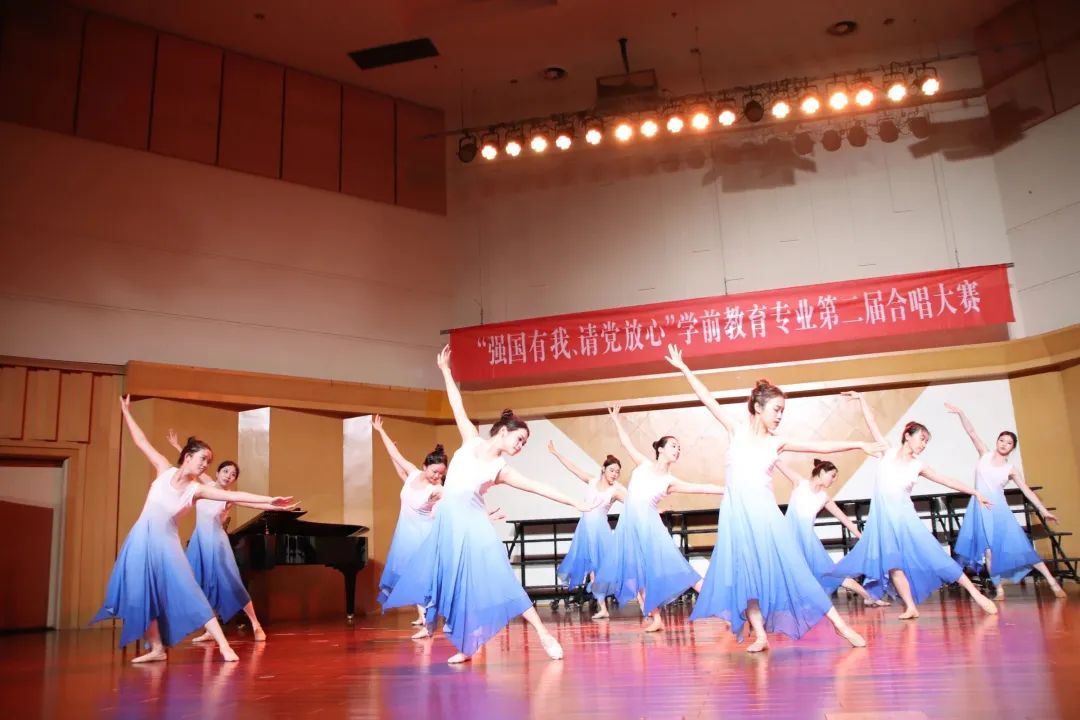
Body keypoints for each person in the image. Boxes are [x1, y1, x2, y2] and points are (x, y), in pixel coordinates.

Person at [383, 346, 597, 664]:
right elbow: (457, 404)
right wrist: (445, 371)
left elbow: (538, 487)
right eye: (520, 439)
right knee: (457, 588)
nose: (521, 446)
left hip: (474, 529)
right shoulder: (471, 439)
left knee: (501, 580)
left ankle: (543, 634)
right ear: (504, 432)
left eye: (524, 443)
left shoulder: (500, 469)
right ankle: (467, 646)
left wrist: (574, 501)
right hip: (448, 529)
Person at [666, 346, 873, 652]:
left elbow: (821, 446)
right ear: (758, 407)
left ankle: (840, 626)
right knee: (746, 579)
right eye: (776, 410)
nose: (779, 416)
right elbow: (707, 398)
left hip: (765, 517)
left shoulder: (777, 443)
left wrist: (858, 444)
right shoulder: (736, 430)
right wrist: (685, 369)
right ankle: (761, 635)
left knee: (795, 570)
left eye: (782, 411)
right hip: (737, 518)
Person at [91, 396, 296, 662]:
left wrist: (270, 501)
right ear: (187, 457)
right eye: (202, 459)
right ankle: (157, 649)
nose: (205, 465)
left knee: (190, 590)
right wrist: (126, 412)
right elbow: (141, 442)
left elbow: (236, 496)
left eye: (208, 461)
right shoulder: (164, 469)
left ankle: (223, 644)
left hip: (167, 544)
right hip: (140, 540)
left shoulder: (196, 490)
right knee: (140, 593)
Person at [829, 392, 999, 619]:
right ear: (907, 436)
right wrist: (861, 400)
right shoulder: (886, 452)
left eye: (927, 441)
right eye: (922, 438)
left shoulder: (918, 466)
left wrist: (975, 492)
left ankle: (977, 595)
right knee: (893, 565)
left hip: (906, 520)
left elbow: (947, 480)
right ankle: (910, 607)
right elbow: (871, 422)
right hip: (884, 524)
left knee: (936, 556)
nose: (924, 444)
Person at [591, 404, 726, 633]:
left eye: (679, 448)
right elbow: (626, 443)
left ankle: (724, 609)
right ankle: (656, 619)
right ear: (661, 449)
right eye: (673, 446)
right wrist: (616, 420)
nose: (677, 450)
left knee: (683, 571)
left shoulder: (669, 481)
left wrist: (726, 489)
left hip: (651, 530)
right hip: (630, 529)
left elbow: (700, 487)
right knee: (639, 576)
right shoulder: (644, 465)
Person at [945, 403, 1066, 599]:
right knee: (989, 552)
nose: (1003, 444)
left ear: (1012, 447)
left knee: (1022, 548)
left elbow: (1026, 491)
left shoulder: (1010, 469)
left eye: (1008, 442)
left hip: (999, 510)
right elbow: (972, 433)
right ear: (997, 441)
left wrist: (1043, 511)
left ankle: (1052, 582)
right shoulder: (984, 455)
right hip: (980, 508)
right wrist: (961, 413)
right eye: (1001, 440)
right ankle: (999, 589)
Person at [164, 432, 276, 643]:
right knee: (201, 584)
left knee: (231, 583)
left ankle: (256, 624)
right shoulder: (206, 485)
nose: (228, 476)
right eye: (225, 471)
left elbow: (252, 503)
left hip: (217, 543)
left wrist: (273, 504)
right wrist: (178, 446)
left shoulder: (228, 496)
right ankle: (211, 629)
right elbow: (192, 463)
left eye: (233, 475)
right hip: (199, 541)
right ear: (217, 472)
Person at [372, 415, 448, 627]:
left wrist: (484, 514)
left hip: (423, 537)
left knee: (421, 577)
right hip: (406, 535)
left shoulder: (438, 489)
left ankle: (429, 615)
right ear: (425, 466)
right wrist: (381, 431)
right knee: (409, 575)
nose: (437, 476)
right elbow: (395, 455)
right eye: (435, 472)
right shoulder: (412, 474)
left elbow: (456, 504)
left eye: (441, 474)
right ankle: (423, 615)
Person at [775, 459, 884, 605]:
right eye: (832, 476)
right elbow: (777, 462)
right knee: (783, 573)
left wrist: (862, 538)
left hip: (808, 542)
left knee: (830, 573)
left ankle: (869, 597)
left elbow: (845, 520)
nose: (833, 480)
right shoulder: (800, 483)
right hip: (787, 540)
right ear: (822, 472)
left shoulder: (824, 498)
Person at [547, 441, 625, 619]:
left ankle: (643, 603)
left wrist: (654, 509)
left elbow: (634, 503)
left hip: (601, 532)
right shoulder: (592, 480)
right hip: (585, 531)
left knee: (613, 566)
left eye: (617, 472)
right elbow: (574, 468)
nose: (615, 474)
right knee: (593, 571)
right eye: (612, 470)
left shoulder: (615, 491)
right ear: (603, 469)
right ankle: (603, 608)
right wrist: (556, 453)